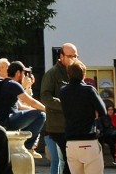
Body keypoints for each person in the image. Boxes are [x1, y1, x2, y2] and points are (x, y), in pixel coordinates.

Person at [60, 60, 106, 174]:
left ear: (68, 74)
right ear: (84, 74)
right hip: (88, 140)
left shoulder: (63, 91)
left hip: (71, 143)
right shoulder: (89, 90)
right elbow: (103, 111)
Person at [41, 42, 78, 174]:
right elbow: (45, 97)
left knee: (73, 160)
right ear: (61, 56)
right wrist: (65, 105)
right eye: (70, 56)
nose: (73, 59)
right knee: (66, 160)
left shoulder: (75, 72)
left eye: (75, 56)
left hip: (73, 125)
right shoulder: (52, 74)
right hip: (58, 126)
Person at [0, 61, 46, 152]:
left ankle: (25, 142)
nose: (24, 76)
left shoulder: (2, 83)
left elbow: (20, 106)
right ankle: (28, 146)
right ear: (18, 73)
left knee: (36, 113)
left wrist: (34, 110)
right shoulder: (13, 84)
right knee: (41, 115)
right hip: (8, 121)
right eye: (23, 73)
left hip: (2, 120)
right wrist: (46, 110)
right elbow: (31, 101)